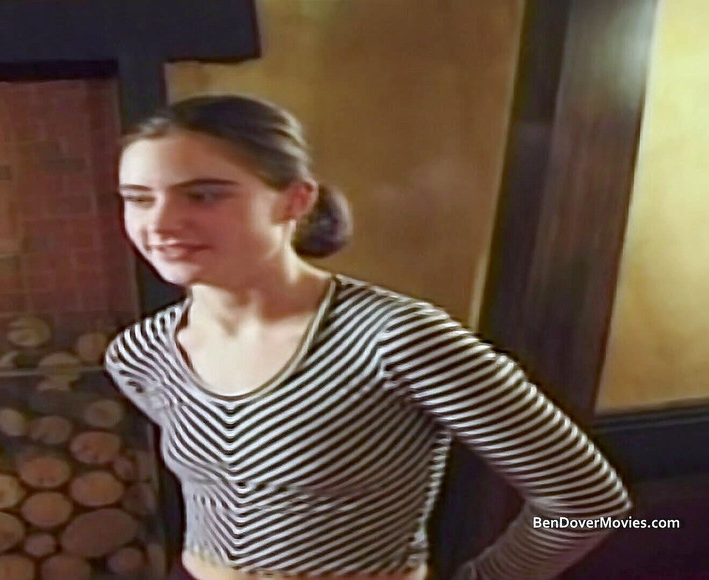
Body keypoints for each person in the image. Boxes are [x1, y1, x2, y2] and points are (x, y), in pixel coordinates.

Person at [103, 94, 632, 580]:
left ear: (295, 201)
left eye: (203, 196)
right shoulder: (141, 354)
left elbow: (586, 501)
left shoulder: (396, 340)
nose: (161, 223)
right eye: (139, 199)